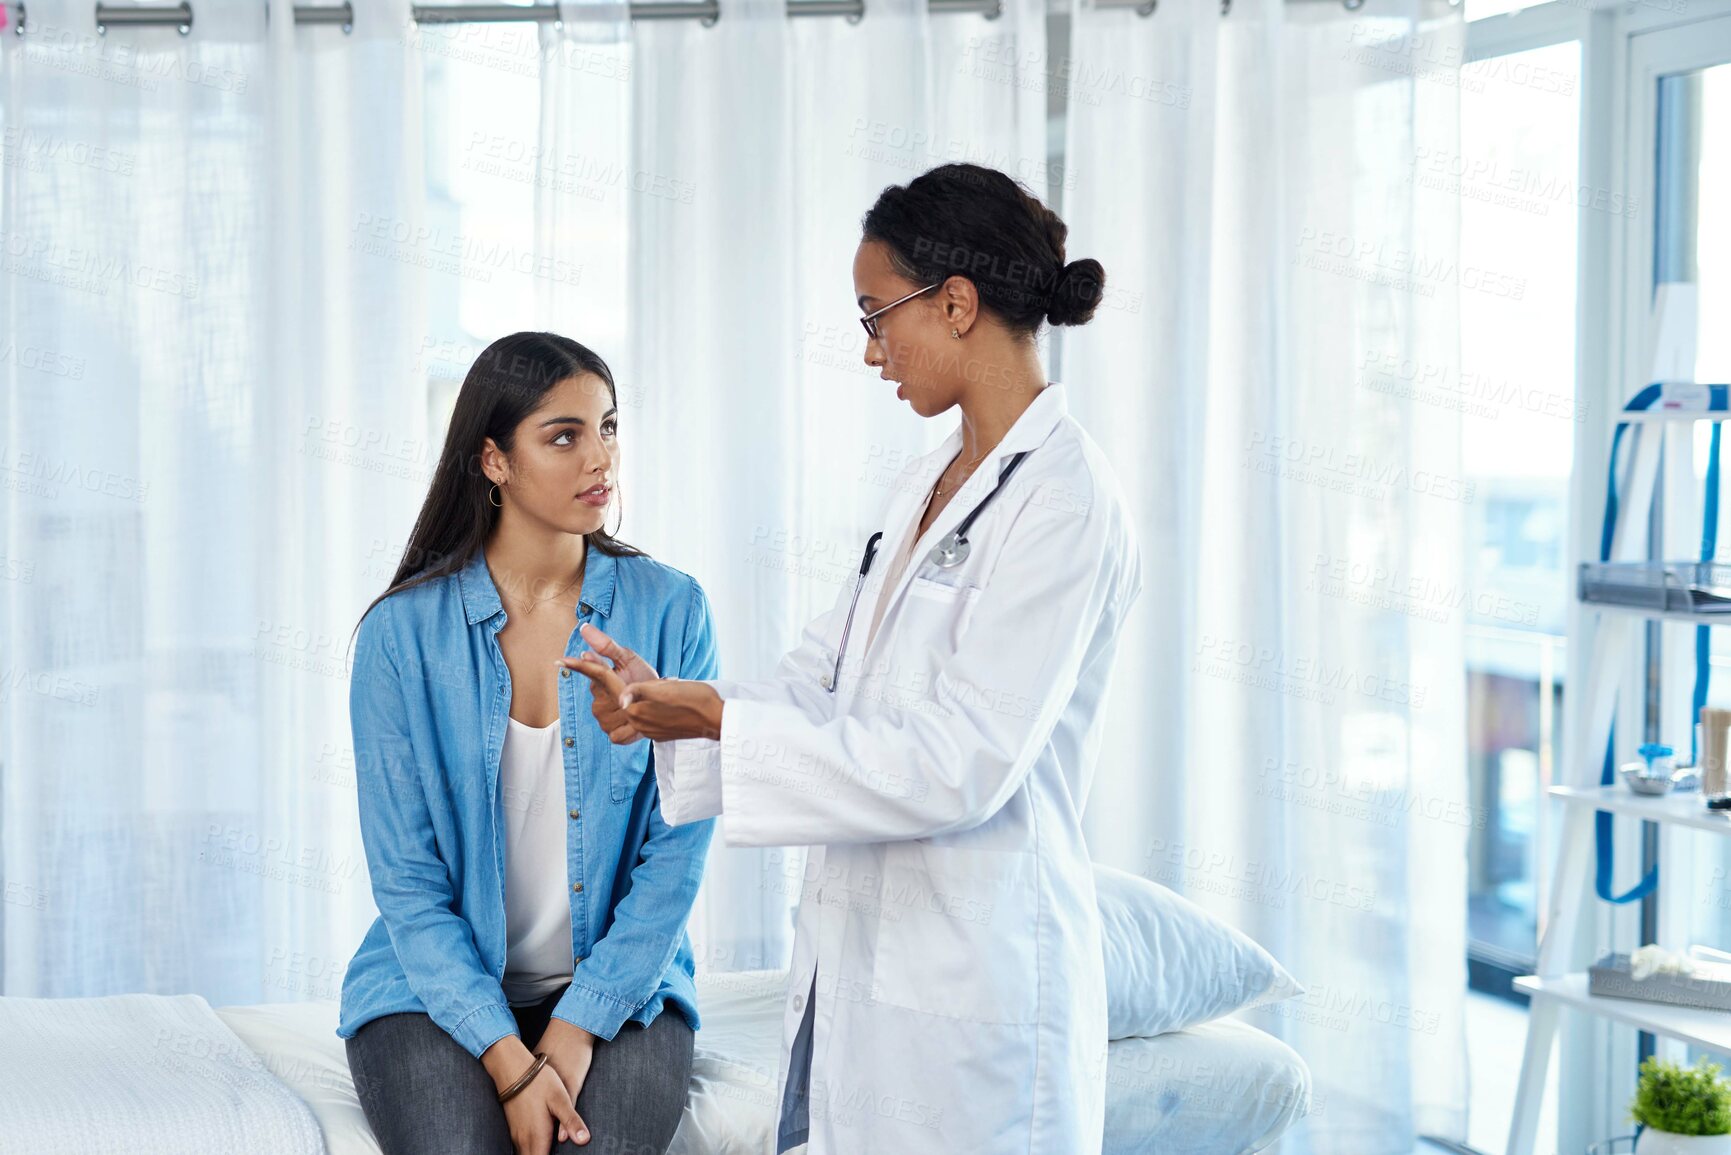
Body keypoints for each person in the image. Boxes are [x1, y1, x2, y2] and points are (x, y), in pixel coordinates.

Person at [570, 163, 1144, 1153]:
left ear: (957, 304)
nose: (872, 349)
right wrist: (677, 704)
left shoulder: (1065, 500)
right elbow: (819, 682)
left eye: (879, 315)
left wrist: (716, 722)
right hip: (869, 968)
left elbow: (956, 761)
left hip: (976, 985)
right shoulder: (928, 481)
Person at [338, 332, 716, 1155]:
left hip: (621, 990)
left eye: (608, 427)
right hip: (429, 993)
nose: (600, 458)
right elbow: (407, 882)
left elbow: (678, 848)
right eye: (564, 435)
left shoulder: (671, 609)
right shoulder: (400, 638)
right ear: (493, 460)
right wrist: (509, 1061)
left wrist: (579, 1026)